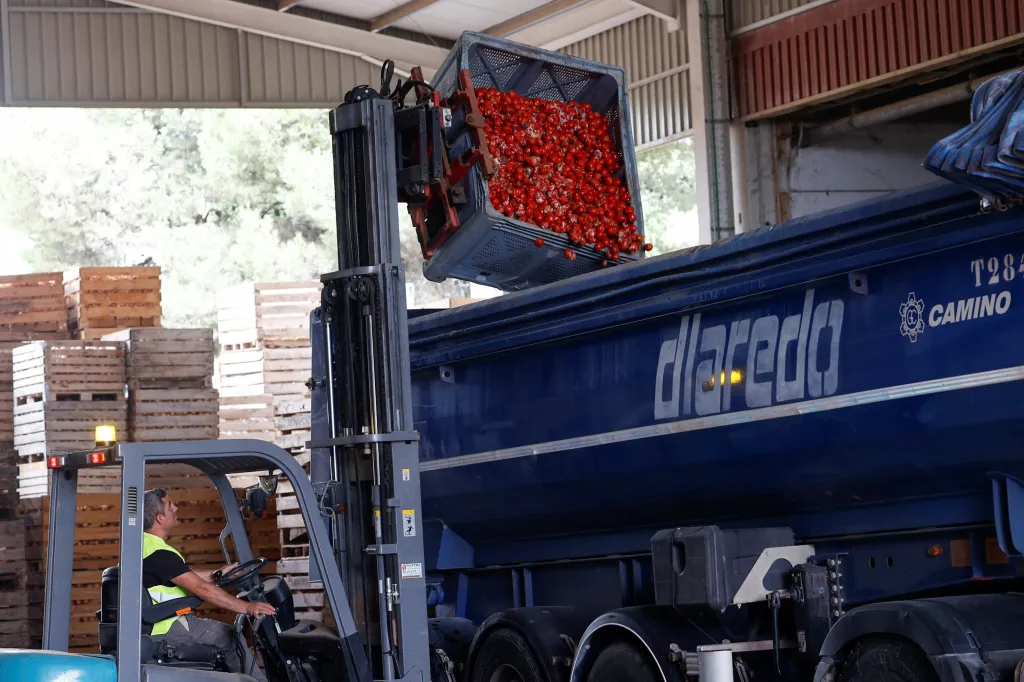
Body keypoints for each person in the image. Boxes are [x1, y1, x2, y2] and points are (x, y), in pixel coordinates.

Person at [142, 488, 276, 680]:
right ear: (160, 518)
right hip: (165, 626)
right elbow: (201, 589)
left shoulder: (144, 545)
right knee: (229, 637)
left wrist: (217, 574)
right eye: (170, 506)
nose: (176, 508)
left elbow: (184, 576)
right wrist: (247, 607)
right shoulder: (159, 552)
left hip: (153, 623)